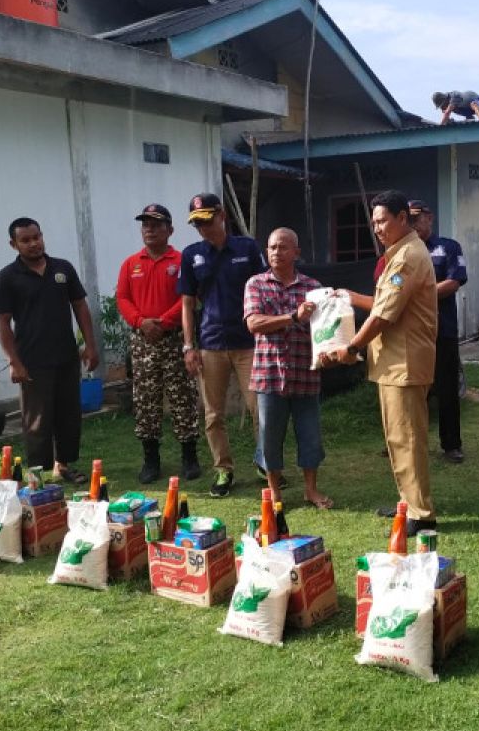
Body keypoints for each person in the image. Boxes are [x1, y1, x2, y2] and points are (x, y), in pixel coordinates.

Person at [324, 190, 438, 534]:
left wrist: (353, 348)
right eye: (373, 222)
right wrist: (350, 296)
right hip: (395, 361)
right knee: (399, 437)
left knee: (407, 438)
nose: (377, 228)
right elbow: (384, 301)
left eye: (382, 221)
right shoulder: (402, 253)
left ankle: (421, 513)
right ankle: (408, 502)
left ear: (403, 218)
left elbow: (385, 315)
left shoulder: (407, 257)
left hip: (403, 362)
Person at [0, 217, 98, 484]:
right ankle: (36, 473)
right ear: (13, 244)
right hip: (32, 361)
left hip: (66, 356)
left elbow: (80, 306)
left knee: (68, 415)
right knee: (37, 420)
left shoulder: (62, 269)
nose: (33, 244)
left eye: (36, 237)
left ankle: (63, 466)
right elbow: (2, 322)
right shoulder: (6, 278)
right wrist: (14, 362)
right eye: (25, 240)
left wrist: (90, 345)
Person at [177, 193, 266, 498]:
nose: (203, 228)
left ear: (222, 215)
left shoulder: (247, 247)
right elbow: (187, 304)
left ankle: (265, 462)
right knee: (213, 414)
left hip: (248, 342)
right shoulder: (191, 255)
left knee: (260, 408)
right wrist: (188, 347)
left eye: (207, 220)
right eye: (197, 223)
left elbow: (264, 288)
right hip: (211, 343)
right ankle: (223, 470)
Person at [243, 228, 333, 509]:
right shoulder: (256, 284)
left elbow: (325, 329)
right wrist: (293, 317)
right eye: (271, 247)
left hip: (306, 373)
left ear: (297, 252)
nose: (275, 253)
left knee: (310, 436)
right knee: (270, 438)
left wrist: (331, 350)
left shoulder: (313, 288)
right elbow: (253, 323)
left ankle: (310, 490)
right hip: (269, 374)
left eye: (282, 247)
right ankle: (275, 493)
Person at [116, 203, 202, 484]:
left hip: (174, 338)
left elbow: (187, 299)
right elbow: (123, 298)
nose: (149, 229)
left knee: (183, 398)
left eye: (156, 224)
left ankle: (189, 457)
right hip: (143, 342)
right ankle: (151, 460)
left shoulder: (181, 260)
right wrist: (141, 322)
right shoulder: (131, 263)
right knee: (146, 401)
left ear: (170, 229)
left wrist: (163, 322)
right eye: (145, 225)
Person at [409, 200, 469, 463]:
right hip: (410, 333)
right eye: (408, 219)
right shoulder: (401, 251)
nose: (413, 224)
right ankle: (408, 445)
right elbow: (394, 285)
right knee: (411, 391)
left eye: (417, 218)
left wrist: (417, 295)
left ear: (429, 218)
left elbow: (454, 281)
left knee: (446, 390)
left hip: (442, 329)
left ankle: (451, 445)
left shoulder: (447, 247)